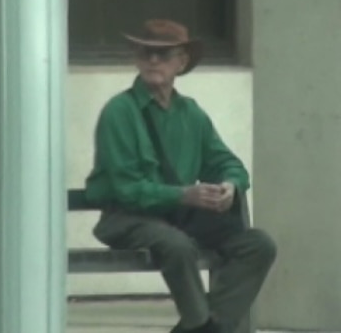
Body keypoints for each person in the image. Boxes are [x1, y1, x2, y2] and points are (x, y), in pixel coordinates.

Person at [84, 19, 277, 333]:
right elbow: (124, 189)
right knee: (176, 245)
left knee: (258, 244)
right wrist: (182, 195)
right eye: (146, 53)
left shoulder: (191, 113)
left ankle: (202, 327)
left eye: (163, 54)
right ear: (136, 57)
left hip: (180, 219)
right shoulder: (119, 112)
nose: (153, 61)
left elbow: (229, 164)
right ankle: (202, 326)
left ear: (182, 62)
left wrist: (230, 185)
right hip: (128, 217)